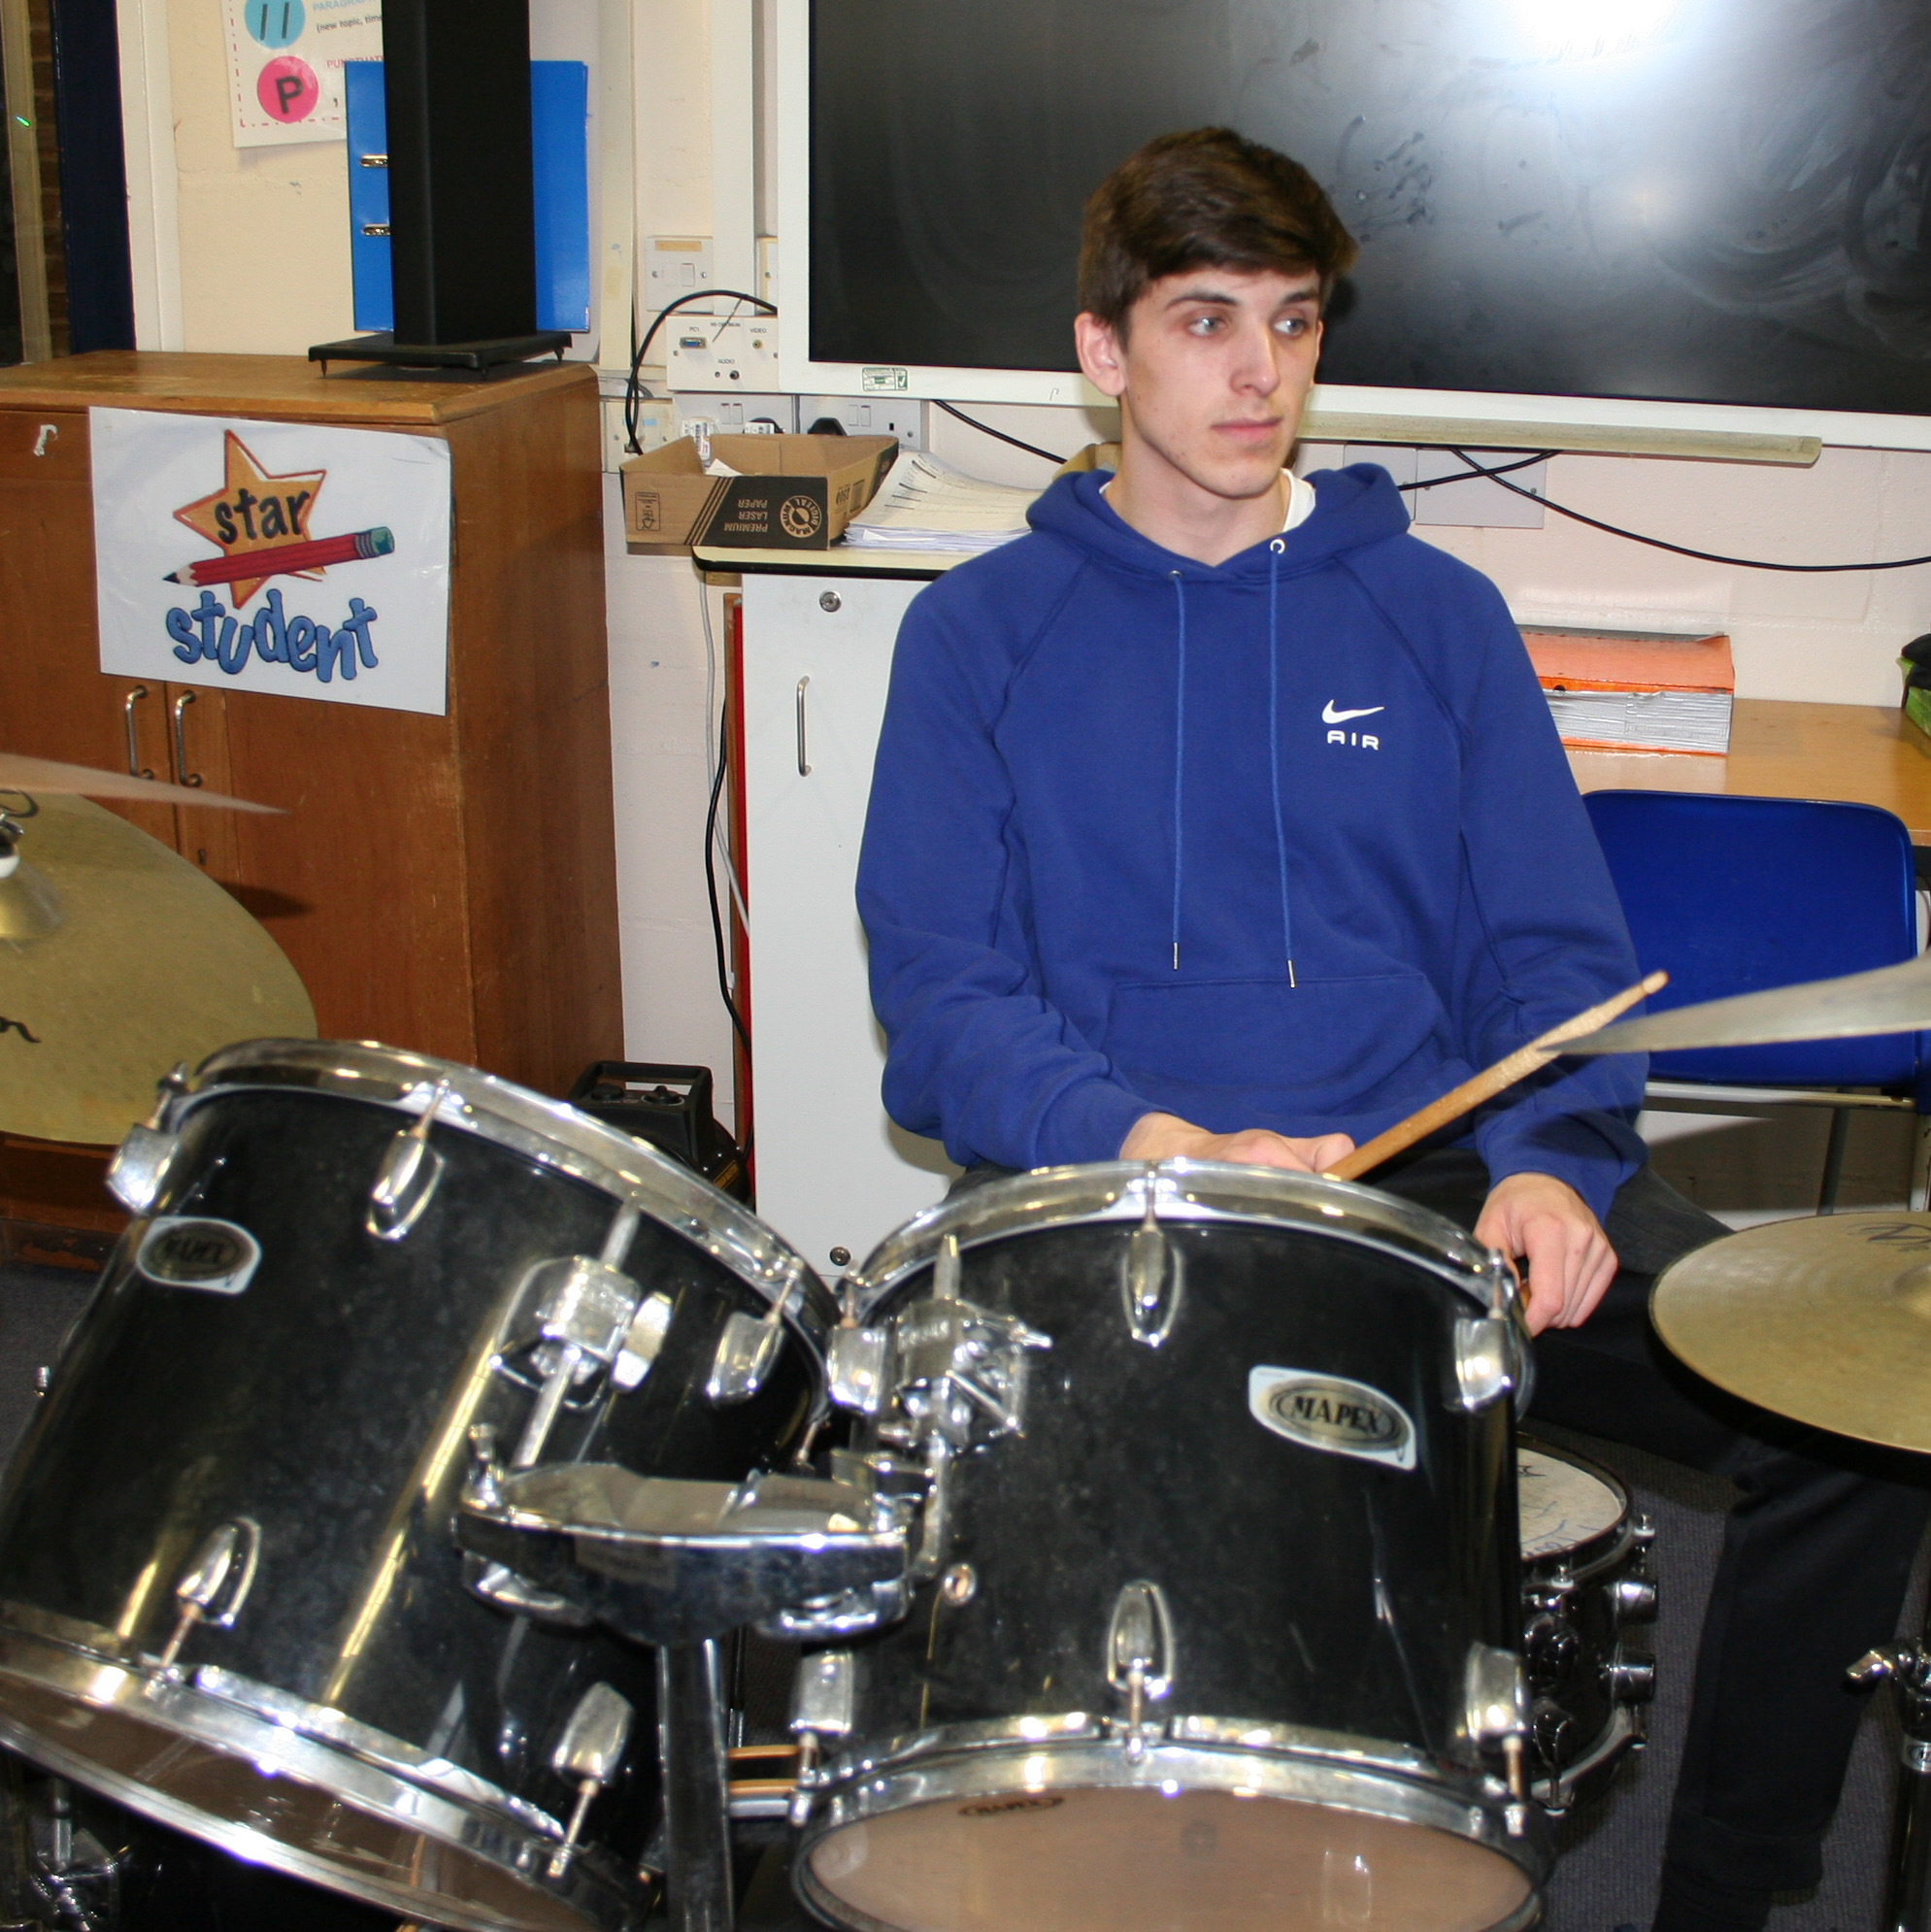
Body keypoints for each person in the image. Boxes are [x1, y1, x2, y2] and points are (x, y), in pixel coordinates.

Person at [855, 126, 1930, 1932]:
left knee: (1838, 1423)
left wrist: (1548, 1161)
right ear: (1103, 352)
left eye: (1290, 322)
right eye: (1204, 322)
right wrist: (1156, 1144)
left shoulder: (1433, 615)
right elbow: (944, 1004)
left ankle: (1729, 1891)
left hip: (1427, 1186)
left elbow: (1558, 963)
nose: (1258, 372)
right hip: (1129, 1201)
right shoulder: (980, 635)